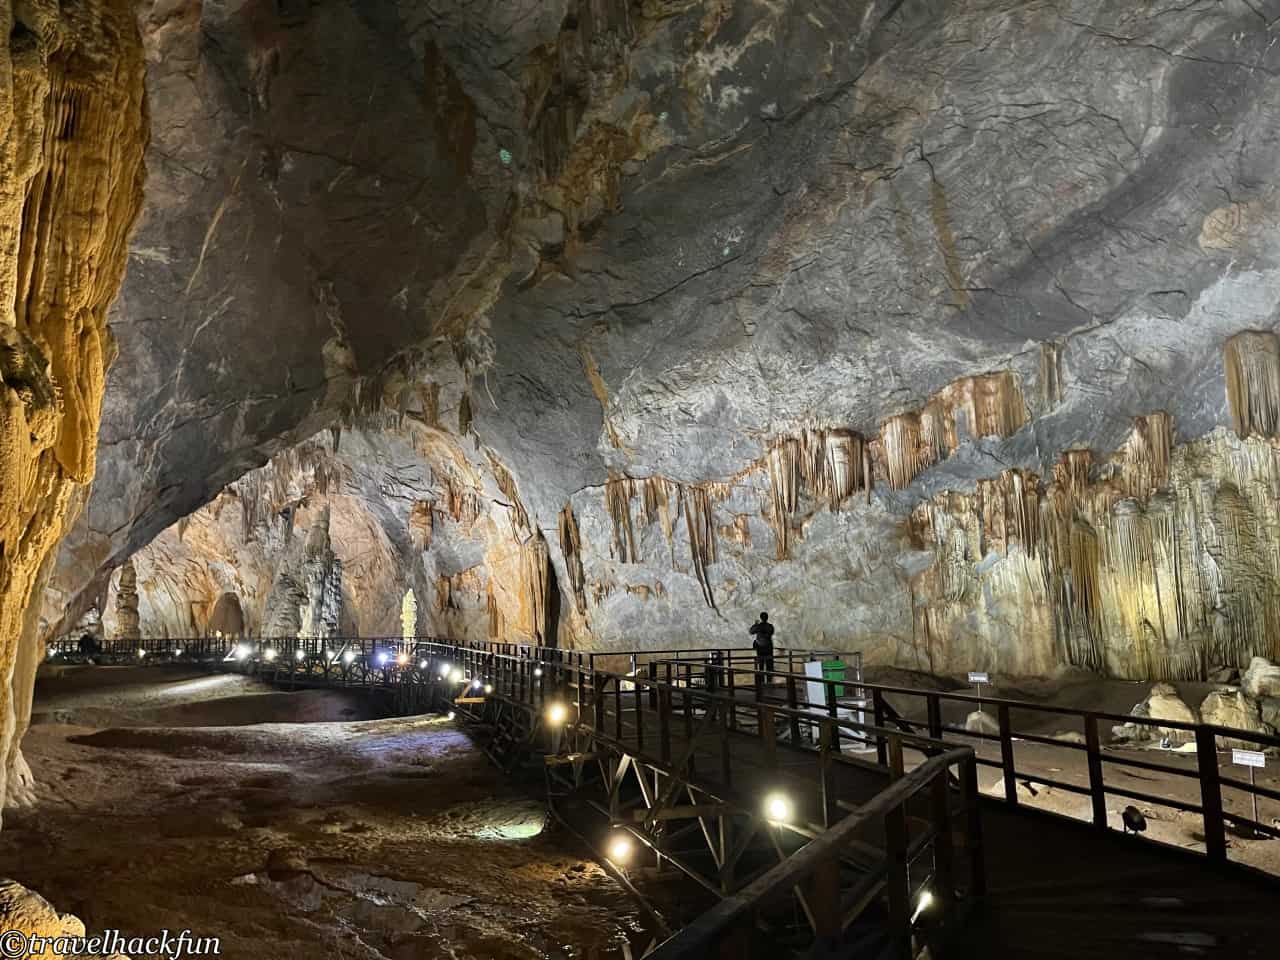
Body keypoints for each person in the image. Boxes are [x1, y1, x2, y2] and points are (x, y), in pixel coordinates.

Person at [749, 612, 775, 683]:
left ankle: (762, 682)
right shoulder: (770, 626)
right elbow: (771, 633)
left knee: (761, 666)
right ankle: (769, 682)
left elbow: (751, 632)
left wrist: (755, 624)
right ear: (767, 618)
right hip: (768, 648)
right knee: (769, 666)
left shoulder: (758, 626)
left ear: (761, 618)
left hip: (760, 648)